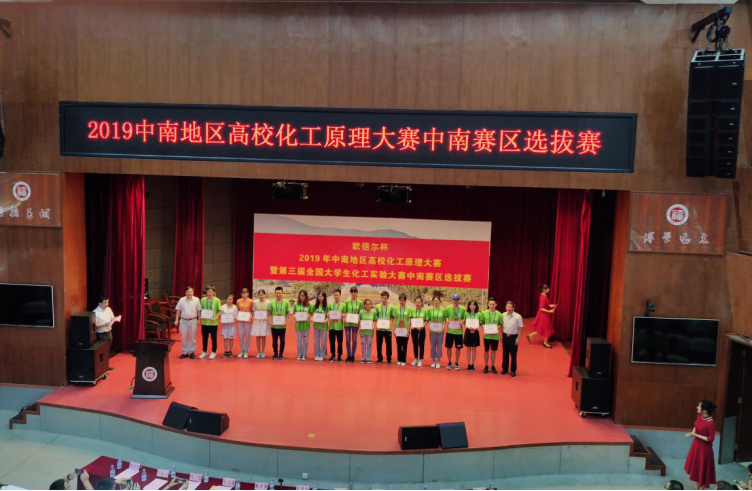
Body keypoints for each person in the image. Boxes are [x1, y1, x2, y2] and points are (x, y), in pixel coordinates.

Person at [685, 400, 717, 491]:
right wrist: (693, 432)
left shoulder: (711, 423)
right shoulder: (700, 416)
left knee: (702, 470)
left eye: (699, 406)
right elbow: (696, 425)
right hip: (696, 446)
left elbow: (711, 439)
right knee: (696, 468)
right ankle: (696, 488)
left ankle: (701, 488)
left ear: (705, 410)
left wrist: (695, 435)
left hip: (704, 449)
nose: (697, 407)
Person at [93, 296, 121, 371]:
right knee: (102, 351)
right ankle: (101, 367)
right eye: (105, 303)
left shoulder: (108, 309)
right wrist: (104, 324)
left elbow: (112, 318)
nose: (107, 304)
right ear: (99, 303)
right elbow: (95, 325)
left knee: (107, 350)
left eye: (107, 302)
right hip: (101, 334)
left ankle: (106, 365)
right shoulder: (95, 312)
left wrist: (116, 318)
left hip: (109, 332)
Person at [174, 286, 201, 359]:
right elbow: (178, 310)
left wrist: (199, 319)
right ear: (185, 293)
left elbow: (198, 310)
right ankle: (185, 352)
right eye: (187, 292)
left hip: (193, 321)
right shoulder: (181, 300)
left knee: (192, 337)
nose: (189, 293)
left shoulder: (196, 300)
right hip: (183, 321)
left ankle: (191, 352)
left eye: (190, 292)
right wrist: (176, 320)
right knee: (184, 337)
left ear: (193, 292)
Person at [527, 284, 557, 349]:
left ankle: (530, 335)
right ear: (544, 290)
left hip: (543, 314)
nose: (549, 289)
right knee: (547, 328)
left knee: (542, 327)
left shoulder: (544, 296)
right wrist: (550, 311)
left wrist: (550, 305)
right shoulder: (543, 297)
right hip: (543, 314)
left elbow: (545, 305)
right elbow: (541, 308)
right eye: (548, 288)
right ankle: (545, 343)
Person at [199, 285, 222, 360]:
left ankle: (213, 351)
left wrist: (215, 317)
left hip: (213, 323)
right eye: (207, 291)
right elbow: (201, 310)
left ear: (214, 292)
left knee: (214, 338)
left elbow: (220, 311)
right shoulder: (203, 300)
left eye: (210, 292)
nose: (208, 293)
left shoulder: (217, 300)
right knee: (204, 338)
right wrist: (201, 317)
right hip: (205, 323)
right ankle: (204, 351)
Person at [501, 301, 523, 377]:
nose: (508, 308)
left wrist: (518, 338)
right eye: (507, 307)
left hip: (513, 337)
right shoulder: (503, 315)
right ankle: (505, 369)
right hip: (505, 336)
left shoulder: (518, 316)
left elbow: (520, 328)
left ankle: (513, 370)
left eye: (510, 307)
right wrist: (501, 335)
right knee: (505, 354)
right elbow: (502, 326)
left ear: (513, 308)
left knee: (513, 355)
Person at [444, 293, 466, 371]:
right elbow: (446, 316)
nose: (455, 301)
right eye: (454, 299)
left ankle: (456, 362)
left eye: (457, 300)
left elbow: (464, 318)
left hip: (458, 332)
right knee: (449, 347)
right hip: (450, 331)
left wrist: (462, 321)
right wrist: (447, 319)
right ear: (452, 300)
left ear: (459, 300)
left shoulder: (462, 309)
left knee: (458, 348)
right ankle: (449, 362)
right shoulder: (448, 308)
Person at [482, 297, 502, 374]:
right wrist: (485, 328)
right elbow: (482, 322)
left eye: (493, 304)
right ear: (488, 304)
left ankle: (492, 366)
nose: (491, 306)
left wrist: (497, 328)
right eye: (490, 304)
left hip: (495, 336)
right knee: (486, 350)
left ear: (496, 305)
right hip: (486, 336)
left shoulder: (499, 314)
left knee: (493, 351)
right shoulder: (484, 313)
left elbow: (500, 324)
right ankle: (486, 365)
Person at [270, 287, 291, 360]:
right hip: (274, 325)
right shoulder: (272, 302)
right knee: (274, 340)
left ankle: (281, 353)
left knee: (282, 340)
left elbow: (288, 313)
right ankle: (275, 353)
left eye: (279, 293)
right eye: (277, 293)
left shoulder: (286, 302)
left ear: (282, 293)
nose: (278, 294)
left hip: (282, 325)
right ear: (275, 293)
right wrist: (270, 321)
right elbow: (269, 313)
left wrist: (286, 322)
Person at [344, 287, 363, 363]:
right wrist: (345, 317)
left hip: (355, 324)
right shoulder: (347, 302)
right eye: (352, 292)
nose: (353, 293)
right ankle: (348, 355)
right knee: (348, 340)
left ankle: (353, 356)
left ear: (357, 293)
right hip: (347, 323)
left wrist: (359, 319)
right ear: (350, 293)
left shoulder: (360, 303)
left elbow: (360, 313)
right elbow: (345, 312)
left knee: (354, 340)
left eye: (355, 292)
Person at [375, 291, 395, 365]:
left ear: (388, 298)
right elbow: (376, 316)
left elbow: (392, 316)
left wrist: (390, 322)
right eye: (382, 298)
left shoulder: (391, 307)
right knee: (379, 344)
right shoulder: (377, 306)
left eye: (385, 298)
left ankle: (389, 358)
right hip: (379, 329)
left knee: (389, 344)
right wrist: (376, 322)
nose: (383, 300)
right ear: (381, 298)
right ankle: (379, 358)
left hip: (387, 329)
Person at [428, 296, 447, 369]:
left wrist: (443, 327)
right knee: (432, 346)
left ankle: (438, 361)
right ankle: (433, 361)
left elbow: (444, 319)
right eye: (435, 300)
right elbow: (429, 319)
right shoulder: (430, 309)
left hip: (440, 331)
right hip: (432, 330)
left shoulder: (443, 310)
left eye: (437, 300)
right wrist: (429, 325)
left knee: (439, 346)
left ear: (439, 301)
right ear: (432, 301)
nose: (436, 302)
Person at [251, 289, 270, 359]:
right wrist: (255, 316)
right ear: (258, 295)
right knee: (258, 337)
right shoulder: (255, 302)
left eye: (262, 295)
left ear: (265, 295)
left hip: (264, 322)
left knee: (263, 337)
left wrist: (267, 316)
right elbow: (253, 311)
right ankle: (258, 352)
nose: (261, 296)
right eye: (260, 295)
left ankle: (263, 352)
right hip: (258, 321)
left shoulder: (268, 302)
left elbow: (269, 312)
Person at [294, 290, 313, 361]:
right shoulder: (296, 304)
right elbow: (294, 313)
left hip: (306, 325)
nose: (302, 297)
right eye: (301, 295)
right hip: (298, 325)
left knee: (305, 341)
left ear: (306, 296)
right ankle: (299, 354)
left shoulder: (309, 305)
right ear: (299, 296)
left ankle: (304, 354)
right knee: (299, 341)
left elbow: (311, 313)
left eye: (303, 296)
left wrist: (308, 316)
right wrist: (294, 316)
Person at [328, 289, 346, 363]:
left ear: (340, 295)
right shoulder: (330, 305)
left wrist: (341, 315)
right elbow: (328, 314)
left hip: (339, 326)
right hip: (332, 326)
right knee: (332, 342)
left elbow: (345, 314)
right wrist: (329, 314)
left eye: (337, 295)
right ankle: (333, 355)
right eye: (335, 295)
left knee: (339, 342)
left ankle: (339, 356)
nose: (336, 296)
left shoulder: (343, 305)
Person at [393, 294, 411, 366]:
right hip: (398, 329)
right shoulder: (396, 308)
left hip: (405, 329)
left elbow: (409, 319)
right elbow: (395, 319)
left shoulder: (408, 309)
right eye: (400, 300)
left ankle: (403, 360)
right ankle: (399, 359)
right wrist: (394, 329)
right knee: (399, 345)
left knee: (404, 345)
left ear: (405, 301)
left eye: (403, 300)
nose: (401, 302)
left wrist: (408, 329)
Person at [464, 300, 482, 372]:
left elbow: (480, 323)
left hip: (475, 333)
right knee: (468, 349)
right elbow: (464, 322)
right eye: (471, 305)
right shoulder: (466, 313)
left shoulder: (479, 314)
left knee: (474, 349)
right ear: (469, 306)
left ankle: (473, 364)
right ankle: (468, 364)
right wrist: (467, 326)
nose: (472, 306)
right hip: (468, 332)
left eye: (474, 305)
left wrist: (476, 327)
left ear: (476, 306)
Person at [236, 288, 254, 359]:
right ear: (241, 294)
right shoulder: (238, 301)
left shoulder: (251, 301)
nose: (244, 294)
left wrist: (250, 317)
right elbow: (237, 310)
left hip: (248, 321)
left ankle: (246, 351)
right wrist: (237, 316)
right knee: (241, 337)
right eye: (243, 293)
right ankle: (242, 350)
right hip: (240, 321)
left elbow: (252, 311)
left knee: (247, 337)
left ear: (248, 293)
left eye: (245, 293)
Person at [312, 292, 329, 361]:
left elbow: (328, 316)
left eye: (322, 296)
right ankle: (317, 354)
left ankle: (322, 355)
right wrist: (312, 319)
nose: (320, 298)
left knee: (323, 342)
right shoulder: (315, 306)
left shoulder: (327, 307)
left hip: (323, 327)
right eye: (319, 296)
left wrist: (326, 320)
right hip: (316, 326)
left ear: (324, 297)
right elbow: (312, 315)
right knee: (316, 341)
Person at [410, 297, 427, 367]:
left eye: (419, 302)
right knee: (415, 344)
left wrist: (422, 326)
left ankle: (420, 359)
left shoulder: (425, 311)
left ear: (421, 303)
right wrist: (411, 325)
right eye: (416, 302)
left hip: (421, 329)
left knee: (421, 344)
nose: (417, 304)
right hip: (414, 329)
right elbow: (411, 319)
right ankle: (416, 358)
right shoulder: (412, 310)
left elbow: (427, 320)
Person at [359, 299, 376, 364]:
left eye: (369, 304)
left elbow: (375, 320)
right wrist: (360, 326)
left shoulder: (373, 312)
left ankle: (368, 357)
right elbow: (359, 320)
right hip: (363, 331)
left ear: (371, 305)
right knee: (363, 345)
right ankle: (363, 357)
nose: (367, 305)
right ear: (364, 305)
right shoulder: (361, 312)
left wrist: (372, 325)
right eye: (366, 304)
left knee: (369, 344)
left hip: (370, 331)